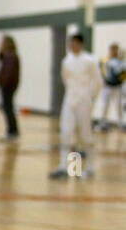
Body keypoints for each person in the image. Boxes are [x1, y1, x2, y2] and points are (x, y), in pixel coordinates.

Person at [50, 32, 101, 179]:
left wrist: (90, 97)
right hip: (70, 100)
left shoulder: (90, 60)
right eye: (69, 43)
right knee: (66, 132)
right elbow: (66, 79)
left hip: (84, 101)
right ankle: (63, 166)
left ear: (80, 43)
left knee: (85, 134)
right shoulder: (66, 61)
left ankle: (90, 167)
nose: (71, 46)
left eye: (73, 43)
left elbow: (98, 82)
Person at [0, 35, 20, 142]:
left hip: (8, 86)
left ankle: (12, 131)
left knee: (8, 108)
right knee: (7, 108)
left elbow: (9, 73)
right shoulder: (7, 55)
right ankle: (12, 131)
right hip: (7, 86)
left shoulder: (11, 56)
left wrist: (4, 84)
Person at [95, 42, 124, 131]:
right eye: (112, 50)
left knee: (118, 106)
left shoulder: (121, 62)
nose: (114, 52)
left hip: (117, 87)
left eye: (116, 50)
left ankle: (120, 123)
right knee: (104, 105)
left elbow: (123, 75)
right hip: (107, 87)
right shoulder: (104, 61)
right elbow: (100, 73)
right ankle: (102, 123)